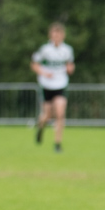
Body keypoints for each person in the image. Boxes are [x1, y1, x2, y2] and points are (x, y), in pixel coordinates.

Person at [31, 22, 75, 152]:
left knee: (60, 114)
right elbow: (34, 64)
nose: (56, 37)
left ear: (62, 35)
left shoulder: (67, 50)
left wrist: (70, 69)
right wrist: (44, 73)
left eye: (59, 34)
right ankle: (40, 127)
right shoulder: (45, 50)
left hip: (60, 84)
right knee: (47, 115)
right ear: (50, 35)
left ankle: (57, 144)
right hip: (47, 85)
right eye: (54, 35)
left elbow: (71, 65)